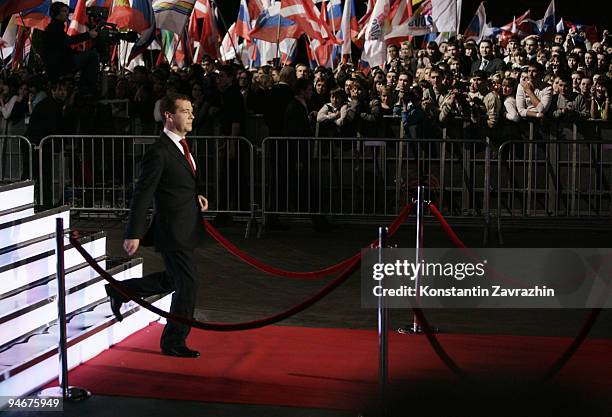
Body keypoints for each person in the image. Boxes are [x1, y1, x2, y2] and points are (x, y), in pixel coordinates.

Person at [105, 92, 209, 358]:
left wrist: (193, 196)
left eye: (191, 110)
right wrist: (134, 233)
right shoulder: (159, 151)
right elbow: (143, 193)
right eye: (185, 111)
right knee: (188, 284)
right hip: (172, 231)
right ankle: (173, 341)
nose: (191, 115)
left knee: (175, 279)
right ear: (169, 116)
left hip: (185, 226)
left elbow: (175, 184)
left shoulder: (181, 147)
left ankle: (122, 290)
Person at [40, 2, 99, 91]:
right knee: (92, 55)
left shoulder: (56, 27)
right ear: (56, 13)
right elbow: (68, 41)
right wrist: (88, 35)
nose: (67, 14)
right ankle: (87, 87)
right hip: (61, 65)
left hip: (60, 64)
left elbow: (65, 46)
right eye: (64, 11)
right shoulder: (54, 28)